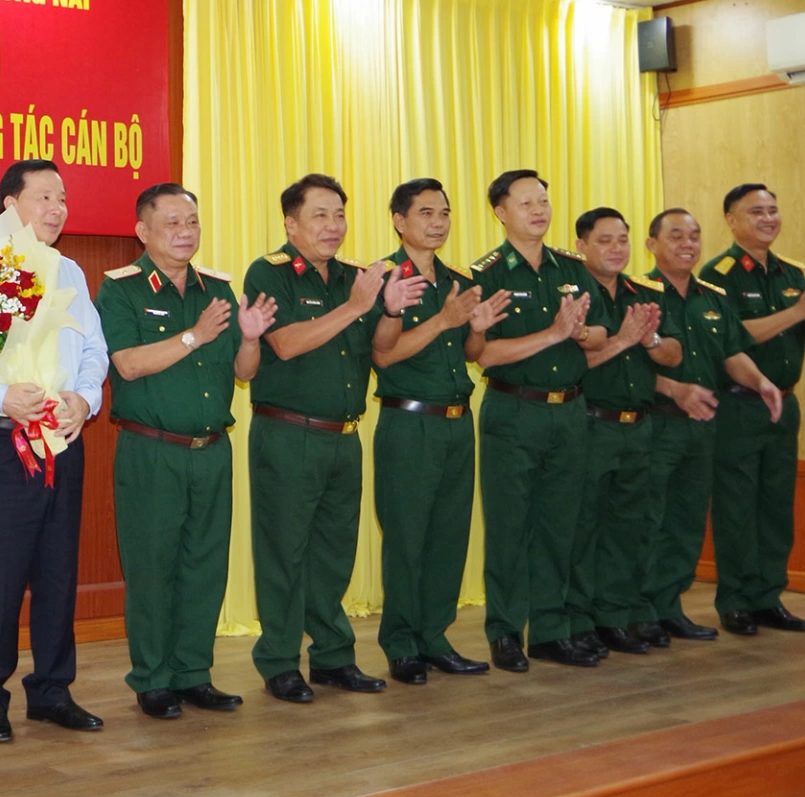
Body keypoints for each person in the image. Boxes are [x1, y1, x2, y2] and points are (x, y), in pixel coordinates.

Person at [0, 160, 110, 742]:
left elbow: (94, 349)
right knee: (0, 575)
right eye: (44, 197)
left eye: (62, 198)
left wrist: (85, 399)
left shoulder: (69, 272)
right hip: (2, 442)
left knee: (58, 572)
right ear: (10, 205)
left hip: (63, 439)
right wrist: (1, 396)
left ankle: (53, 691)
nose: (57, 209)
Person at [242, 173, 425, 703]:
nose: (333, 225)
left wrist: (389, 309)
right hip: (288, 433)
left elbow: (381, 348)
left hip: (345, 435)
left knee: (334, 552)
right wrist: (355, 306)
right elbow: (284, 343)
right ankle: (280, 661)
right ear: (291, 224)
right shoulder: (270, 272)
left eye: (339, 215)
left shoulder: (357, 276)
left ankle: (333, 656)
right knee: (284, 553)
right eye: (319, 215)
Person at [95, 183, 274, 719]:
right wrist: (194, 335)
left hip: (212, 449)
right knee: (153, 568)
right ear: (143, 231)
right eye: (171, 222)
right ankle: (152, 679)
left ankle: (194, 673)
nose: (184, 232)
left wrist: (249, 337)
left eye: (191, 222)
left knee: (205, 565)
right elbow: (127, 365)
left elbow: (244, 373)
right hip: (153, 450)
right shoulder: (121, 290)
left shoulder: (217, 288)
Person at [370, 179, 506, 684]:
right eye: (425, 212)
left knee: (449, 536)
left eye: (444, 212)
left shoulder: (459, 279)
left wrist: (476, 329)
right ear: (399, 221)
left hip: (456, 422)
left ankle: (434, 636)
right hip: (409, 423)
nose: (438, 222)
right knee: (406, 537)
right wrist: (445, 320)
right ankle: (401, 643)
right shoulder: (384, 279)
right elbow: (383, 356)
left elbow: (471, 355)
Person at [470, 170, 602, 671]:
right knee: (509, 527)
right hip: (513, 411)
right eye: (526, 203)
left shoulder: (573, 267)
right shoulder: (487, 274)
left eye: (543, 201)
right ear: (501, 212)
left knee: (558, 526)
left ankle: (550, 630)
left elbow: (598, 332)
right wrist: (554, 333)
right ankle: (505, 632)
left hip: (568, 411)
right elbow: (484, 354)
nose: (539, 210)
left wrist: (580, 332)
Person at [704, 185, 805, 635]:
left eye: (773, 210)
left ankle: (768, 597)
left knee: (776, 505)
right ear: (731, 220)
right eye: (756, 211)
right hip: (738, 406)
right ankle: (736, 600)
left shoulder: (791, 272)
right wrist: (799, 309)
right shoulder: (718, 275)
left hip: (785, 403)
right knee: (736, 506)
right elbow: (733, 338)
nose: (768, 218)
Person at [641, 208, 782, 639]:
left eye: (694, 236)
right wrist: (674, 390)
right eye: (676, 236)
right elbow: (621, 365)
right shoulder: (638, 295)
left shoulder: (713, 297)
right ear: (652, 245)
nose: (688, 244)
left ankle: (669, 606)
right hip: (654, 425)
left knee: (686, 522)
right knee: (647, 521)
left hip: (702, 427)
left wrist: (761, 382)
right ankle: (637, 611)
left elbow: (731, 353)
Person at [565, 207, 682, 659]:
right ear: (582, 246)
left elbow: (673, 354)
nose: (616, 249)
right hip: (592, 424)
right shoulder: (574, 295)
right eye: (605, 240)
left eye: (622, 240)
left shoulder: (644, 293)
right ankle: (578, 621)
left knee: (627, 529)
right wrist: (624, 340)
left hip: (639, 426)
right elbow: (575, 363)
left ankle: (614, 617)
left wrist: (648, 339)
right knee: (583, 528)